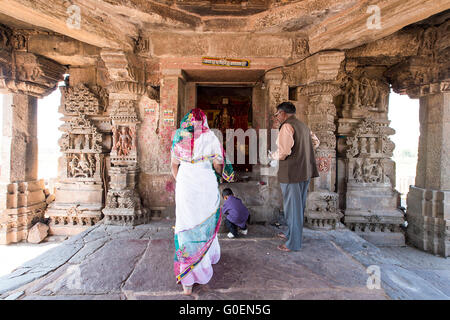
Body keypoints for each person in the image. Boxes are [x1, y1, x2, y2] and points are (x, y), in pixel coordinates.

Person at [171, 108, 234, 295]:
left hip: (185, 186)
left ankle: (187, 281)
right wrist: (217, 173)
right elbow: (218, 165)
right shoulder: (211, 138)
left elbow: (174, 165)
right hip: (205, 186)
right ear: (204, 122)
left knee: (185, 225)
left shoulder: (178, 138)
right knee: (205, 224)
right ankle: (205, 262)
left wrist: (183, 182)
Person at [269, 101, 319, 252]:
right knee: (297, 207)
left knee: (292, 209)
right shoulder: (303, 126)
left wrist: (273, 155)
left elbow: (284, 152)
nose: (276, 117)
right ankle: (291, 234)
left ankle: (293, 243)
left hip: (292, 173)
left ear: (283, 113)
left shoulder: (286, 126)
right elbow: (316, 143)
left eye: (277, 114)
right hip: (305, 172)